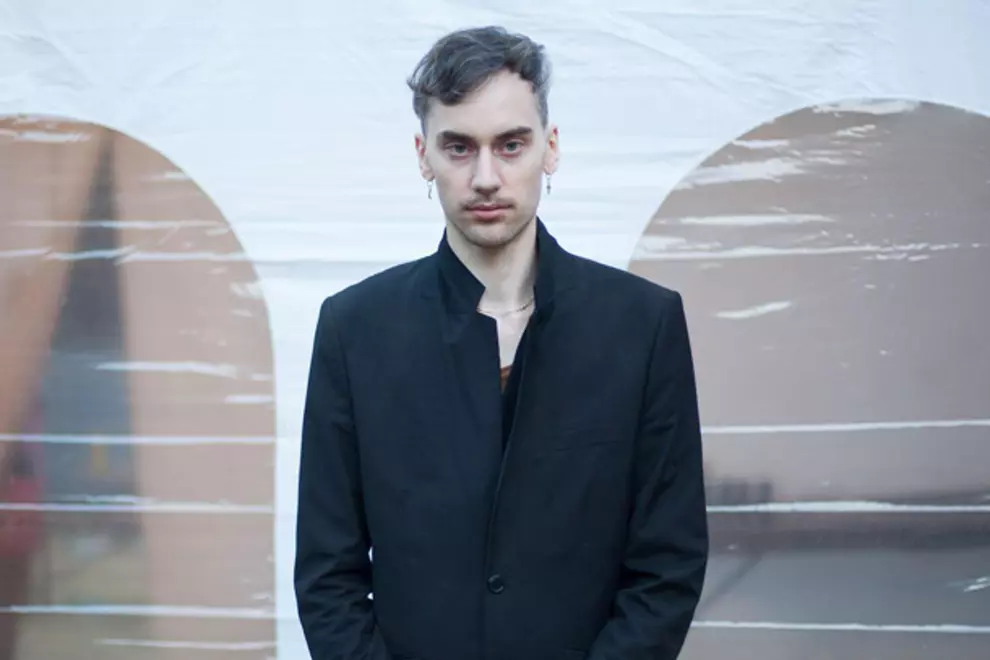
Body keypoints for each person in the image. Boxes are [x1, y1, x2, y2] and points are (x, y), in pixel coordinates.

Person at [294, 25, 709, 660]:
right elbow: (328, 575)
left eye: (510, 145)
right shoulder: (354, 329)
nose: (485, 177)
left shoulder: (642, 325)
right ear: (423, 155)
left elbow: (668, 566)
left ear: (550, 147)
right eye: (458, 147)